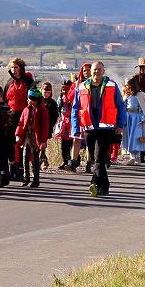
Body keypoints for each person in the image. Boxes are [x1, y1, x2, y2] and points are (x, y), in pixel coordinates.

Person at [71, 61, 127, 197]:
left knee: (99, 158)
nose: (97, 72)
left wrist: (120, 125)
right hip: (89, 128)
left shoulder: (112, 86)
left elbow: (121, 106)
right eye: (95, 70)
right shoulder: (82, 86)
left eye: (99, 69)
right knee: (95, 159)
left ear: (104, 71)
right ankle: (97, 184)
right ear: (91, 72)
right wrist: (75, 128)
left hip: (105, 128)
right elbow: (75, 108)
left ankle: (102, 187)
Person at [3, 58, 35, 180]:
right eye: (12, 67)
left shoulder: (28, 82)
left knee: (23, 143)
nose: (14, 70)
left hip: (25, 116)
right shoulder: (8, 82)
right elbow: (5, 101)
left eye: (16, 67)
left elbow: (35, 100)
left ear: (21, 68)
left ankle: (22, 170)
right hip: (11, 116)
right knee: (10, 143)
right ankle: (12, 169)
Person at [15, 87, 48, 187]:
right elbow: (21, 123)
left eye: (32, 99)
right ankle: (26, 177)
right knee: (25, 156)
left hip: (36, 137)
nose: (30, 101)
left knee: (35, 159)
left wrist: (43, 141)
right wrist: (18, 135)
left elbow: (45, 127)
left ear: (37, 100)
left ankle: (36, 179)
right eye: (29, 99)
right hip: (27, 136)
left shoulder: (43, 111)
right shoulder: (26, 110)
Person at [66, 63, 92, 172]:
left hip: (90, 116)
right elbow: (69, 97)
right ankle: (73, 162)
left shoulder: (96, 84)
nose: (86, 73)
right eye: (84, 71)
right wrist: (75, 86)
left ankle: (89, 163)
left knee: (90, 140)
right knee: (76, 139)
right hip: (79, 115)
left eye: (88, 70)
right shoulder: (78, 85)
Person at [121, 78, 145, 165]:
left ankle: (137, 157)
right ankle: (132, 156)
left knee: (137, 137)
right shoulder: (126, 96)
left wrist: (143, 117)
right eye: (126, 85)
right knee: (129, 136)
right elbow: (123, 107)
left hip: (137, 118)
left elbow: (144, 107)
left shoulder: (140, 95)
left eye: (129, 85)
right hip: (128, 118)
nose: (127, 87)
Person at [39, 81, 60, 170]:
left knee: (43, 144)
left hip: (47, 127)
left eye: (48, 92)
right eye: (45, 92)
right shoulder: (38, 101)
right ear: (41, 91)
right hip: (38, 125)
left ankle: (41, 160)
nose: (46, 94)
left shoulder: (52, 103)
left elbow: (55, 116)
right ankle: (43, 159)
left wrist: (50, 125)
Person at [54, 80, 74, 169]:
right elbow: (58, 110)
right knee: (64, 144)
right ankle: (65, 160)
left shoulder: (73, 99)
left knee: (71, 144)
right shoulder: (60, 99)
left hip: (72, 124)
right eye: (63, 90)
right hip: (64, 125)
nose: (64, 91)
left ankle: (73, 160)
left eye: (66, 90)